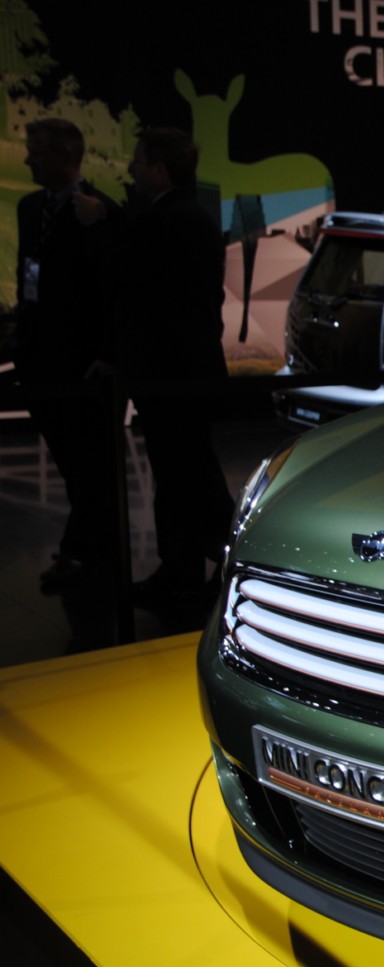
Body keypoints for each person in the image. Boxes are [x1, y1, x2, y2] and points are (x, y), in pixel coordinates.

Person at [118, 127, 235, 603]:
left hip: (172, 376)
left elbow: (142, 298)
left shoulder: (162, 221)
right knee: (186, 472)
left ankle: (219, 562)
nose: (131, 168)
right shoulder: (194, 218)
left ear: (160, 169)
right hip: (188, 373)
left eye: (139, 160)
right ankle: (189, 569)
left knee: (185, 474)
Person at [10, 118, 124, 590]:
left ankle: (86, 550)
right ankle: (90, 547)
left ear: (64, 156)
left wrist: (107, 354)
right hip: (40, 361)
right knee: (73, 459)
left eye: (36, 151)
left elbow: (114, 290)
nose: (28, 159)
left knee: (89, 462)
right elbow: (29, 277)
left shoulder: (100, 212)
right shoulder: (31, 207)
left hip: (81, 365)